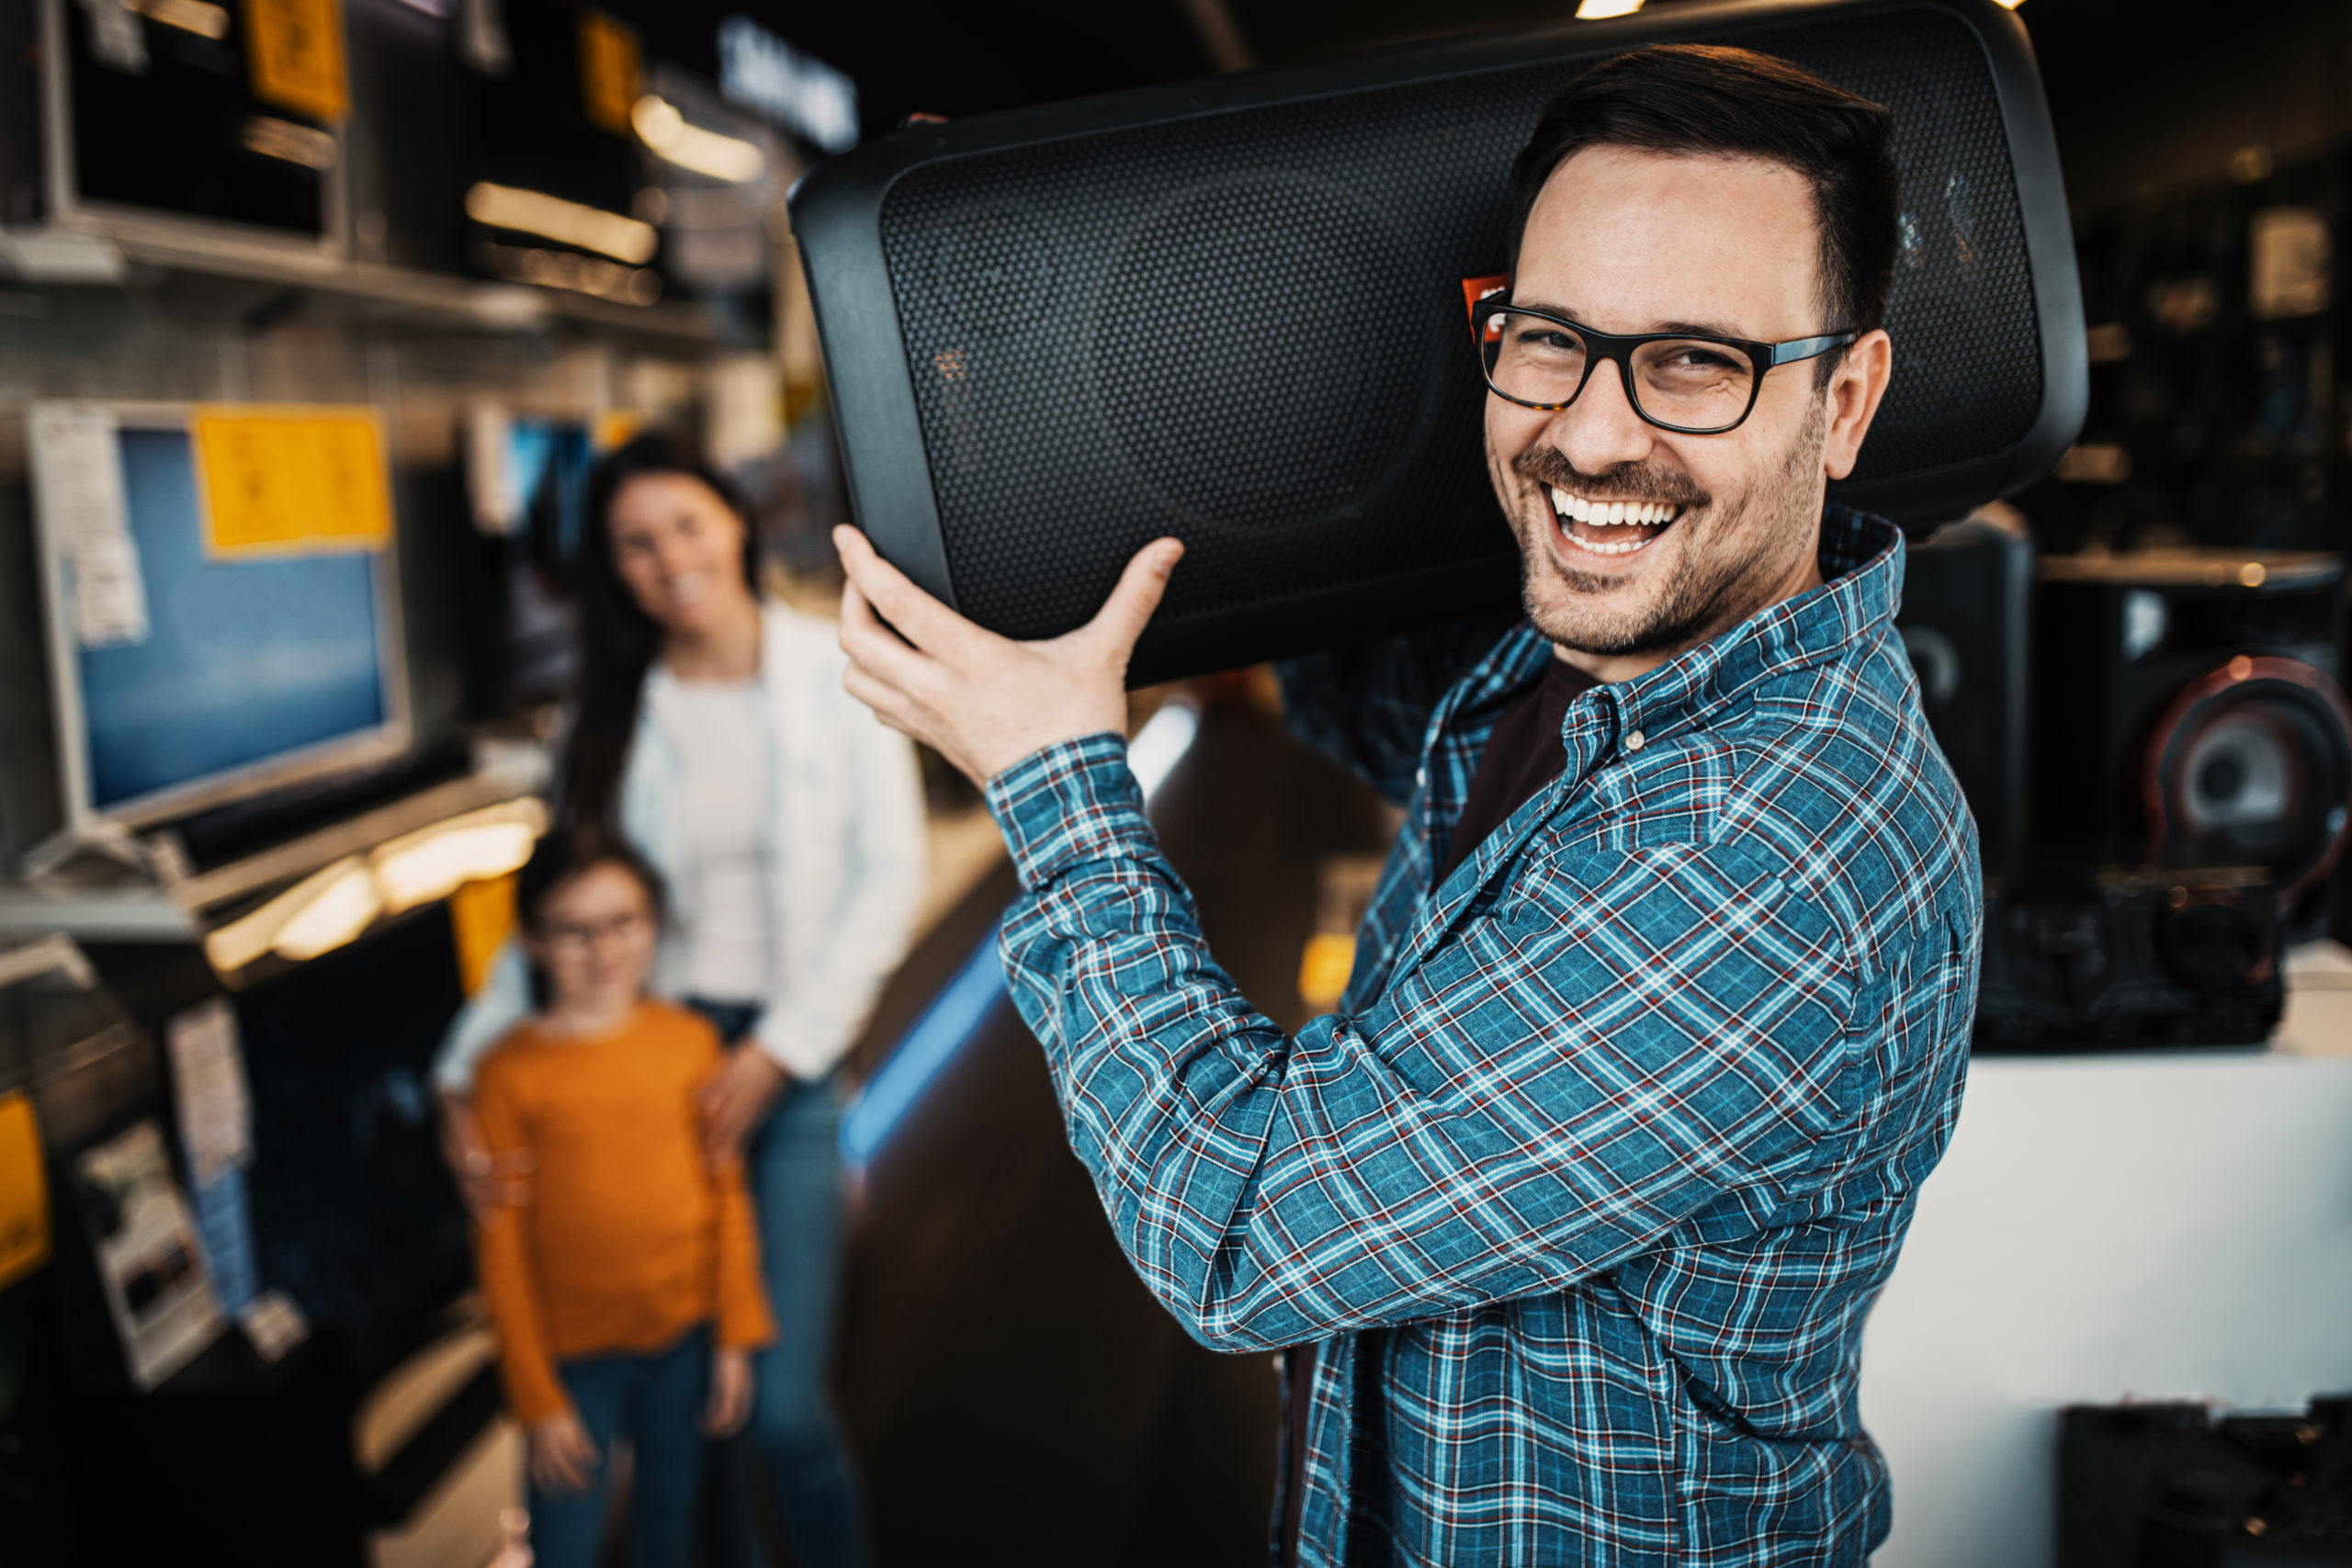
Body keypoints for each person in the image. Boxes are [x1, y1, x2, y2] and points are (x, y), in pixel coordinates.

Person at [828, 43, 1978, 1567]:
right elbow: (1371, 692)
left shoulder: (1767, 850)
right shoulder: (1593, 659)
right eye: (1551, 338)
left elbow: (1240, 1221)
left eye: (1695, 360)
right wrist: (1012, 259)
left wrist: (1052, 778)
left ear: (1843, 403)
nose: (1588, 432)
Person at [437, 433, 925, 1568]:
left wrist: (779, 1054)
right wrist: (464, 1074)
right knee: (690, 1415)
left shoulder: (838, 670)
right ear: (611, 571)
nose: (668, 560)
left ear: (738, 521)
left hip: (787, 1069)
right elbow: (559, 928)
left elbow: (887, 879)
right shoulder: (600, 717)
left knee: (782, 1409)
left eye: (687, 524)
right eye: (634, 545)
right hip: (643, 1070)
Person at [471, 829, 773, 1568]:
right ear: (534, 941)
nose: (602, 950)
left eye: (622, 923)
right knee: (564, 1544)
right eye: (574, 930)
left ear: (654, 925)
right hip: (573, 1364)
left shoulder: (693, 1043)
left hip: (685, 1343)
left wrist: (735, 1330)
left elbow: (727, 1197)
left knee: (668, 1537)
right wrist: (536, 1397)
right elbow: (500, 1248)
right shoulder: (508, 1073)